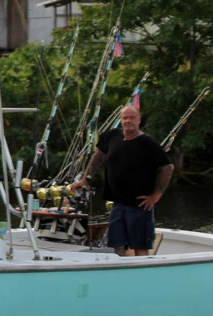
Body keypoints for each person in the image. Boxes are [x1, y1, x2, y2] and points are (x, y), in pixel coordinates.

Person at [70, 105, 173, 256]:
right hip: (117, 204)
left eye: (132, 117)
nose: (128, 121)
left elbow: (168, 167)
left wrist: (156, 195)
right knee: (116, 245)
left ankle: (140, 273)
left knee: (140, 245)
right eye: (125, 118)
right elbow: (98, 156)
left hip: (140, 205)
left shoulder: (148, 142)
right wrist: (86, 179)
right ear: (121, 120)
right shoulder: (112, 136)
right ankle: (120, 273)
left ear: (139, 120)